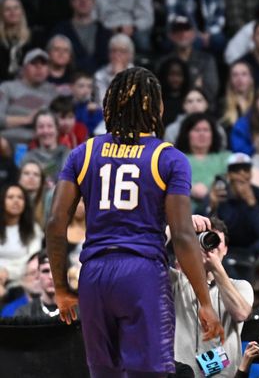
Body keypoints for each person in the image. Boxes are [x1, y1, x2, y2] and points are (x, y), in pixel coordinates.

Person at [47, 66, 224, 377]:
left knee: (104, 373)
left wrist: (61, 289)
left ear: (109, 105)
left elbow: (54, 223)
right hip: (141, 273)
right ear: (155, 107)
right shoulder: (168, 158)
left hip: (94, 274)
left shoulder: (83, 153)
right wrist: (204, 302)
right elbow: (182, 235)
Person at [172, 216, 253, 378]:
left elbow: (241, 314)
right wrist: (176, 226)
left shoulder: (240, 286)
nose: (209, 245)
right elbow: (147, 255)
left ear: (226, 249)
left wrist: (216, 268)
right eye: (202, 238)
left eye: (215, 241)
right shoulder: (175, 281)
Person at [209, 153, 259, 256]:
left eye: (245, 169)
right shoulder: (219, 195)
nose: (241, 173)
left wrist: (252, 203)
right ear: (229, 174)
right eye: (236, 170)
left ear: (251, 173)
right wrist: (212, 206)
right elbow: (216, 228)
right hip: (227, 248)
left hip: (254, 250)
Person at [174, 112, 231, 214]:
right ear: (187, 134)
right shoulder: (176, 158)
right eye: (197, 130)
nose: (202, 134)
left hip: (222, 211)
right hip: (185, 212)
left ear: (213, 134)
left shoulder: (225, 157)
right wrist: (190, 188)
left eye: (206, 130)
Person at [0, 48, 55, 147]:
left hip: (40, 143)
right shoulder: (7, 87)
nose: (39, 67)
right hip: (6, 141)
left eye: (43, 64)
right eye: (34, 63)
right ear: (24, 68)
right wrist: (27, 119)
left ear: (48, 70)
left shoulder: (53, 92)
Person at [158, 17, 220, 101]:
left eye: (186, 30)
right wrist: (195, 85)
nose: (183, 34)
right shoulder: (164, 62)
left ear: (194, 34)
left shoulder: (207, 60)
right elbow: (160, 93)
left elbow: (210, 92)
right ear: (171, 36)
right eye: (178, 30)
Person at [0, 184, 43, 287]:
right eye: (10, 197)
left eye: (20, 197)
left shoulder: (34, 230)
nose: (16, 201)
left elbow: (31, 262)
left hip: (23, 285)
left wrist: (7, 272)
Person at [21, 109, 69, 185]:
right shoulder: (28, 158)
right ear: (35, 131)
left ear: (57, 129)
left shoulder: (68, 154)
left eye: (50, 126)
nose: (45, 131)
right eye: (41, 126)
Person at [93, 33, 135, 108]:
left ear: (130, 55)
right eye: (113, 51)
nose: (117, 55)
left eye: (122, 51)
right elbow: (102, 104)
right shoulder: (100, 75)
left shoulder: (138, 75)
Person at [14, 250, 58, 320]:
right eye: (45, 271)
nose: (51, 276)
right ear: (38, 275)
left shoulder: (78, 310)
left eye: (56, 271)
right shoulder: (24, 313)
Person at [0, 0, 33, 81]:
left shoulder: (34, 37)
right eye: (7, 9)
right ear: (1, 14)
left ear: (22, 12)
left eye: (16, 8)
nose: (12, 12)